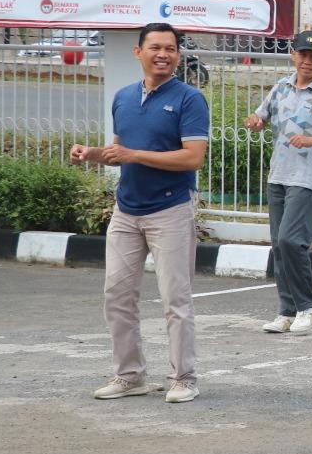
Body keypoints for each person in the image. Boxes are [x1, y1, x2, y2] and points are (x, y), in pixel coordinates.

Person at [71, 22, 209, 404]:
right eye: (155, 47)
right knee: (117, 295)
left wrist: (133, 155)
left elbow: (192, 157)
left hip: (170, 210)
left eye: (170, 48)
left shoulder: (188, 99)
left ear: (178, 56)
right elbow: (120, 149)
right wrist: (93, 154)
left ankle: (184, 378)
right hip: (126, 212)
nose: (162, 54)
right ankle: (130, 375)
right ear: (139, 52)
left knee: (175, 302)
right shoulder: (123, 98)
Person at [244, 29, 312, 335]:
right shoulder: (281, 87)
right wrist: (255, 122)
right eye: (302, 54)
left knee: (292, 241)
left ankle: (307, 306)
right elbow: (260, 118)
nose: (307, 61)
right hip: (278, 174)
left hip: (308, 178)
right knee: (279, 246)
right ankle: (286, 310)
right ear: (293, 55)